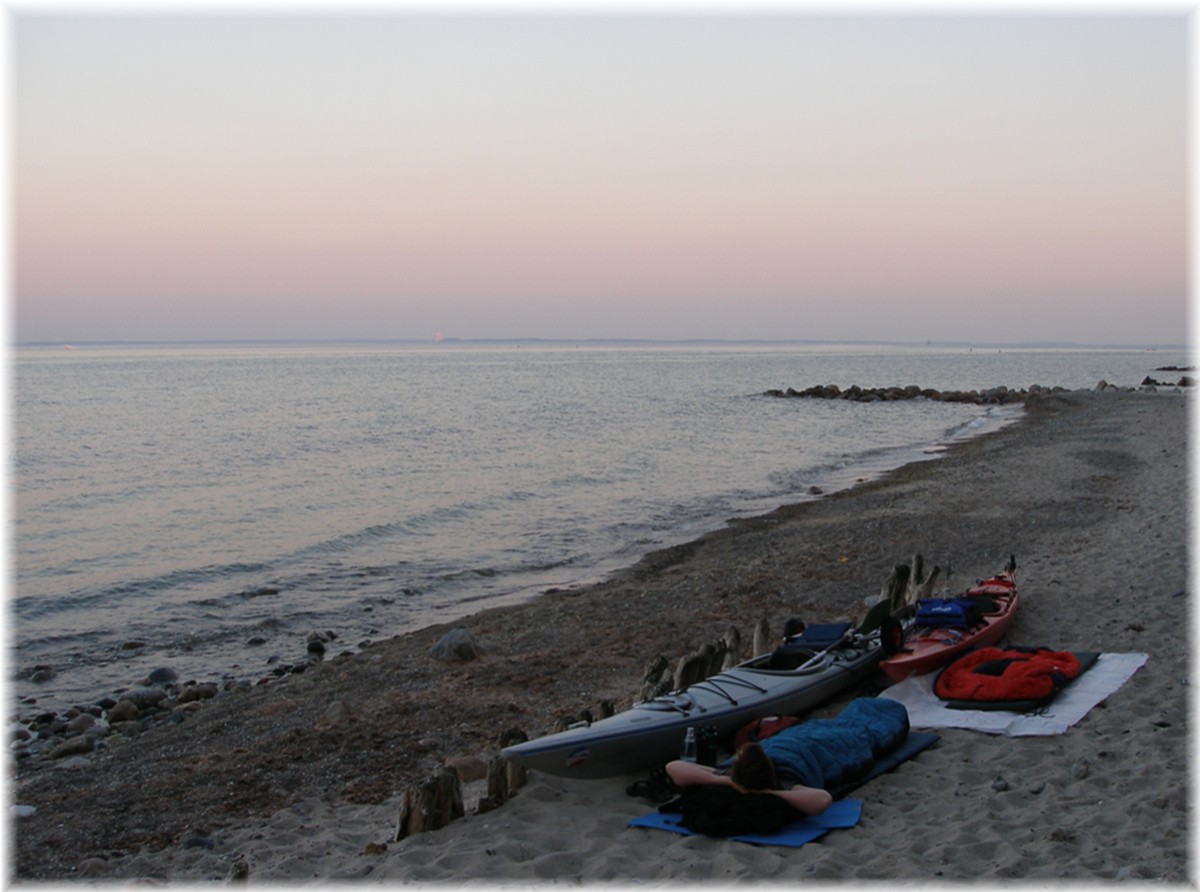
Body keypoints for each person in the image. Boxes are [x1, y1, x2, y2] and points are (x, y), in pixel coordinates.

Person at [665, 741, 833, 816]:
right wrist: (727, 781)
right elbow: (674, 767)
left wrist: (764, 792)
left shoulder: (782, 782)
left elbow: (822, 800)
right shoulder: (729, 776)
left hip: (794, 750)